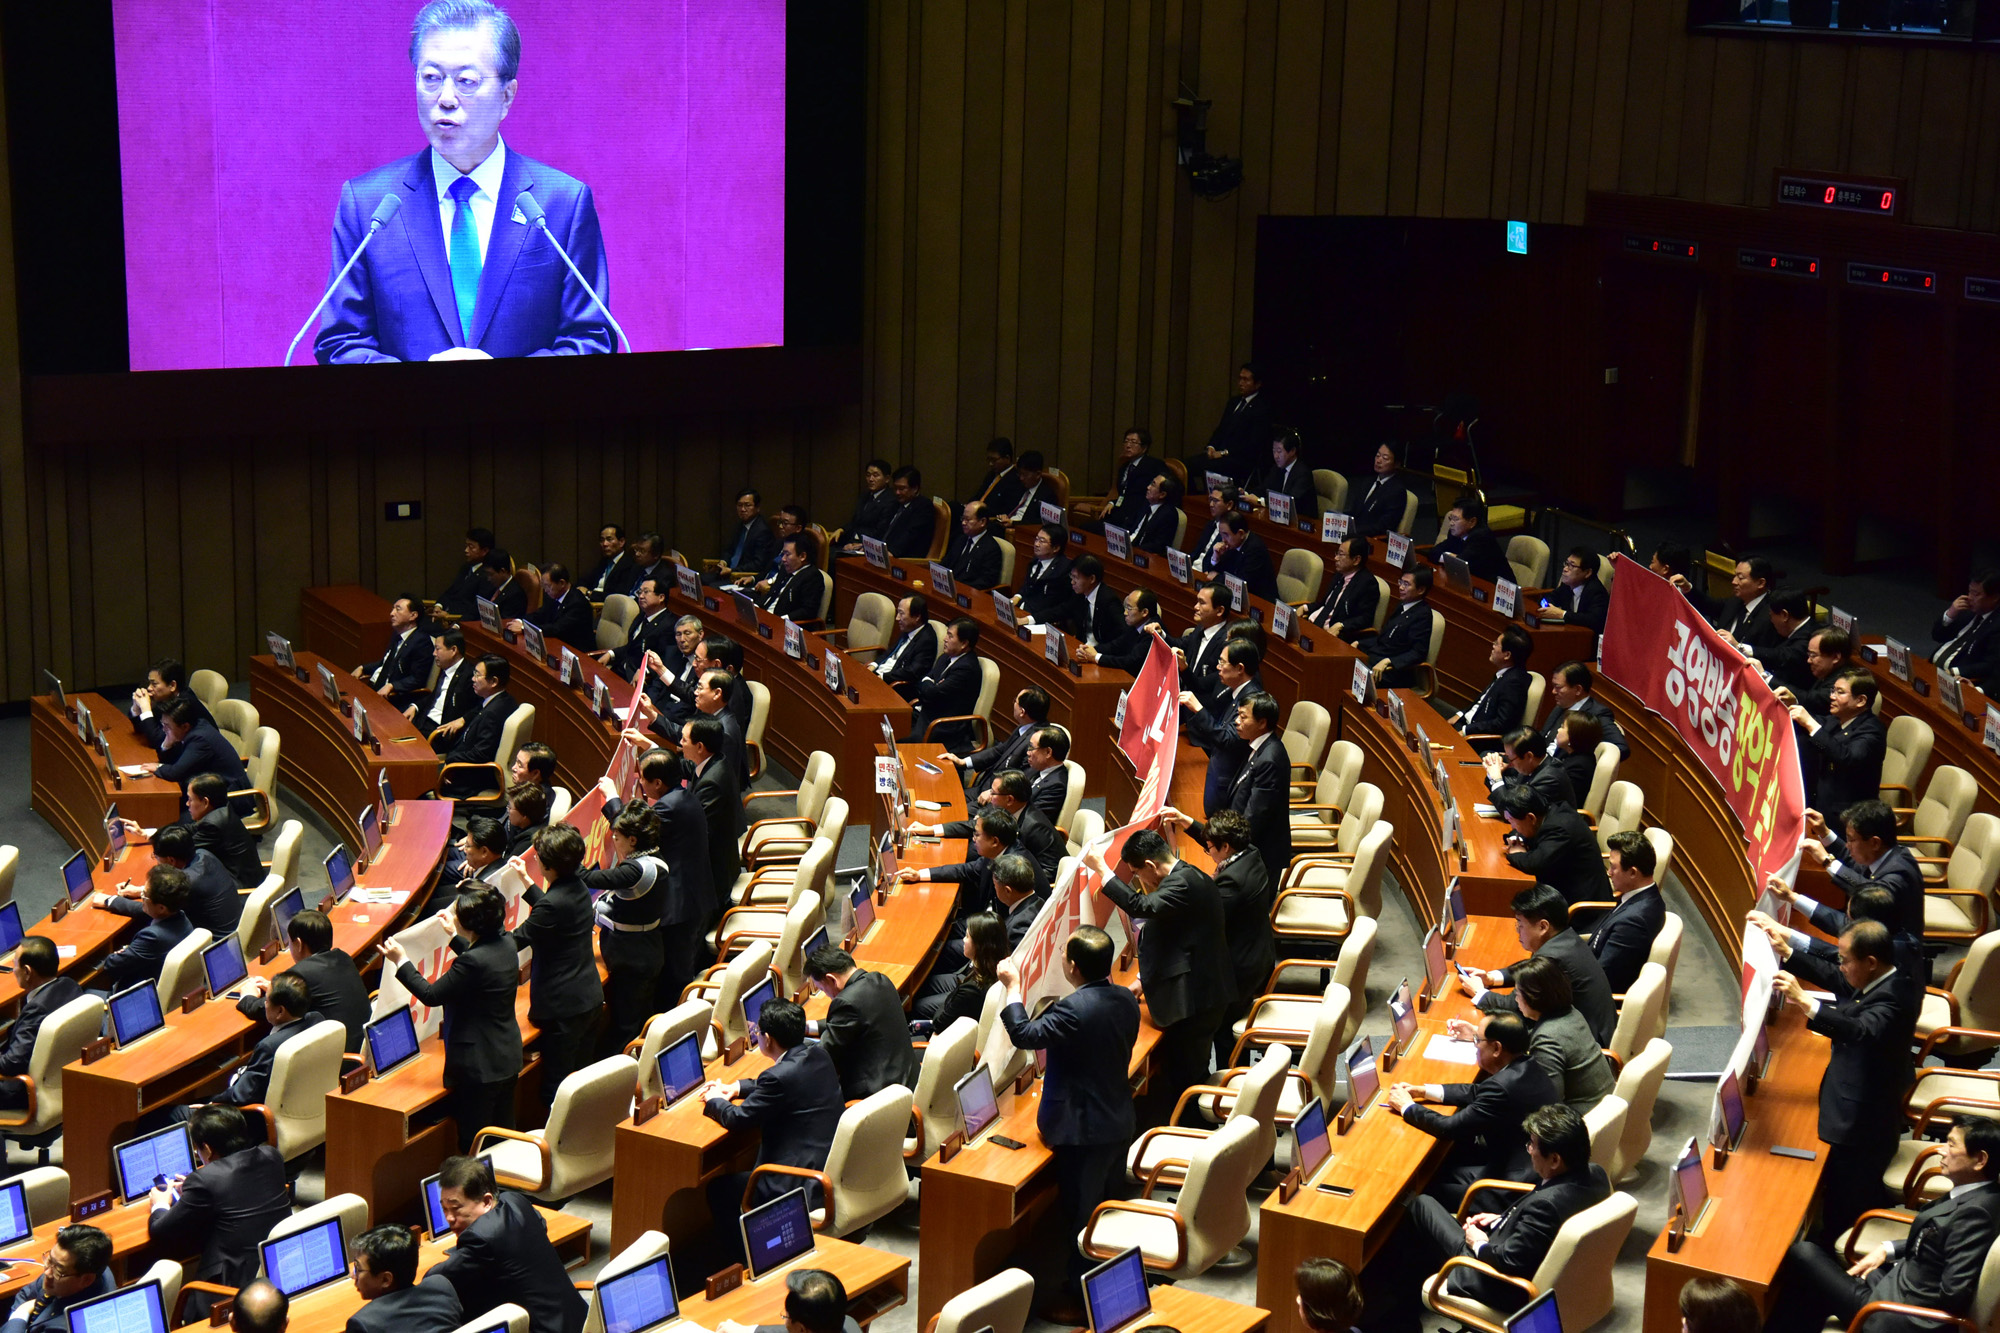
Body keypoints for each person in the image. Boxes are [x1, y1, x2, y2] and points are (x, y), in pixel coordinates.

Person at [313, 2, 612, 363]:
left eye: (466, 81)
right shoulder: (368, 205)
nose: (446, 99)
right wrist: (422, 389)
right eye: (431, 78)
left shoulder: (562, 204)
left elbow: (591, 340)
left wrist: (503, 387)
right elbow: (340, 342)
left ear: (506, 96)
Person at [996, 927, 1140, 1324]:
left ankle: (1082, 1304)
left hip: (1082, 1131)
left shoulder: (1073, 1011)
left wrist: (1013, 987)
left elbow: (1023, 1034)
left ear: (1073, 966)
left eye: (1063, 954)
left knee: (1083, 1218)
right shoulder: (1125, 998)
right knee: (1104, 1208)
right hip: (1117, 1119)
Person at [1772, 1116, 2000, 1333]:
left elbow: (1954, 1295)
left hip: (1893, 1315)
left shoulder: (1976, 1214)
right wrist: (1889, 1249)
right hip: (1893, 1285)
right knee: (1819, 1284)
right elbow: (1938, 1236)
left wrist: (1894, 1290)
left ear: (1980, 1160)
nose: (1941, 1150)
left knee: (1803, 1252)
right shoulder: (1979, 1194)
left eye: (1951, 1145)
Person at [1775, 918, 1917, 1245]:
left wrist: (1805, 1001)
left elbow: (1860, 1032)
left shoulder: (1894, 998)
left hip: (1863, 1123)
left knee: (1846, 1201)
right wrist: (1789, 953)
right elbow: (1834, 977)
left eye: (1845, 960)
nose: (1841, 967)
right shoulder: (1880, 977)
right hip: (1861, 1096)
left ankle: (1836, 1255)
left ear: (1870, 962)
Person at [1396, 1105, 1609, 1319]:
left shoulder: (1545, 1206)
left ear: (1554, 1160)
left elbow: (1510, 1261)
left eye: (1532, 1145)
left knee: (1421, 1205)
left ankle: (1403, 1301)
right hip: (1556, 1272)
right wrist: (1503, 1219)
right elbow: (1543, 1228)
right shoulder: (1596, 1174)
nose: (1529, 1150)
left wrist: (1478, 1242)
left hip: (1496, 1281)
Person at [1091, 829, 1234, 1127]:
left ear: (1151, 866)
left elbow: (1141, 907)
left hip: (1199, 1000)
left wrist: (1102, 870)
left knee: (1188, 1075)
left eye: (1137, 873)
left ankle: (1194, 1137)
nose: (1141, 881)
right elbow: (1176, 941)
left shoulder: (1182, 884)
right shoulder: (1185, 876)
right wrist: (1144, 980)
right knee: (1182, 1068)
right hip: (1201, 989)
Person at [384, 884, 522, 1150]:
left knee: (475, 1143)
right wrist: (452, 936)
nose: (454, 916)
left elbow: (431, 994)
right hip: (505, 1056)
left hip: (478, 1067)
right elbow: (480, 960)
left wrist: (401, 960)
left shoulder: (472, 962)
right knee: (504, 1136)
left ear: (472, 925)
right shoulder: (506, 943)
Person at [1384, 1013, 1560, 1204]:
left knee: (1422, 1192)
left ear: (1496, 1048)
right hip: (1519, 1163)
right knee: (1441, 1168)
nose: (1475, 1045)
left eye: (1477, 1039)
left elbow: (1448, 1128)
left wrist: (1407, 1107)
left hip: (1510, 1187)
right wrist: (1424, 1090)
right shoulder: (1527, 1065)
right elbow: (1477, 1091)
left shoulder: (1501, 1087)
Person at [701, 999, 844, 1222]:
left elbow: (737, 1118)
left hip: (794, 1182)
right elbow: (785, 1082)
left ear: (767, 1039)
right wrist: (735, 1087)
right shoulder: (818, 1054)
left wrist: (714, 1100)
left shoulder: (778, 1077)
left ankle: (746, 1255)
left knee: (718, 1190)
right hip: (824, 1166)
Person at [147, 1105, 290, 1321]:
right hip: (279, 1265)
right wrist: (198, 1191)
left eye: (197, 1150)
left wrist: (160, 1204)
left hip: (232, 1281)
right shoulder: (271, 1156)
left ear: (207, 1148)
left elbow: (160, 1231)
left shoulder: (206, 1180)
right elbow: (241, 1189)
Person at [598, 753, 718, 1002]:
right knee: (680, 967)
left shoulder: (667, 807)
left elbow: (627, 827)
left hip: (680, 905)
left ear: (658, 784)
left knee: (675, 974)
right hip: (695, 894)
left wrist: (612, 797)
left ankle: (674, 1024)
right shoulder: (684, 795)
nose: (638, 781)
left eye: (642, 777)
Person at [429, 1155, 588, 1333]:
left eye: (456, 1208)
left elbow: (436, 1278)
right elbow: (540, 1224)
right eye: (444, 1209)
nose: (449, 1218)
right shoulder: (515, 1200)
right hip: (580, 1317)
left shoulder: (480, 1237)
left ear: (487, 1201)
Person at [510, 824, 603, 1106]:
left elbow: (513, 941)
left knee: (556, 1090)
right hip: (587, 998)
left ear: (547, 864)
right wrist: (527, 881)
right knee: (580, 1079)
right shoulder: (577, 885)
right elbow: (553, 910)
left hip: (562, 1010)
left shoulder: (553, 904)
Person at [1469, 884, 1617, 1046]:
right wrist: (1492, 977)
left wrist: (1479, 992)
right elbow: (1530, 966)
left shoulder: (1552, 957)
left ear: (1543, 927)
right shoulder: (1566, 938)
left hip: (1583, 1043)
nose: (1518, 930)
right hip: (1594, 1030)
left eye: (1520, 924)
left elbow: (1516, 1007)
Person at [1167, 690, 1291, 881]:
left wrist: (1220, 845)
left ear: (1262, 722)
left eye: (1243, 717)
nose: (1236, 721)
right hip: (1245, 851)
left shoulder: (1269, 760)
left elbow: (1254, 820)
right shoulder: (1255, 747)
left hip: (1259, 858)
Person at [577, 805, 667, 1054]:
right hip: (649, 948)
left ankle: (619, 1076)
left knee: (625, 1024)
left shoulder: (634, 870)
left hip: (631, 956)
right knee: (641, 1016)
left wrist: (565, 851)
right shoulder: (655, 854)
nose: (612, 839)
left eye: (616, 836)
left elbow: (588, 878)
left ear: (633, 840)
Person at [1486, 956, 1613, 1114]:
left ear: (1534, 997)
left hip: (1582, 1120)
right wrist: (1487, 1037)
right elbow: (1533, 1035)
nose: (1516, 1000)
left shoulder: (1547, 1039)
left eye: (1517, 993)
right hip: (1603, 1107)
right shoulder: (1571, 1013)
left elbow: (1547, 1106)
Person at [1800, 798, 1924, 960]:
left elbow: (1867, 891)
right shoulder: (1888, 855)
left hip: (1891, 961)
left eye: (1851, 840)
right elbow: (1856, 864)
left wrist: (1827, 861)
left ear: (1874, 842)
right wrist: (1825, 833)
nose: (1847, 845)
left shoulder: (1897, 877)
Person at [233, 909, 370, 1052]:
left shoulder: (301, 974)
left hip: (336, 1057)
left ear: (298, 943)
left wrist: (247, 997)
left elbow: (267, 1010)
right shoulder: (343, 957)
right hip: (360, 1045)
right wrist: (277, 988)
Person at [1202, 809, 1274, 1067]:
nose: (1208, 854)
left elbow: (1206, 921)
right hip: (1259, 954)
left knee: (1220, 1028)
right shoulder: (1251, 852)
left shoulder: (1232, 881)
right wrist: (1188, 824)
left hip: (1241, 969)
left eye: (1209, 848)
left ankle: (1230, 1078)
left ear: (1226, 847)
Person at [195, 971, 320, 1113]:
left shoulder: (269, 1047)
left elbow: (241, 1096)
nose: (264, 1004)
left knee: (173, 1113)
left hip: (254, 1116)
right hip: (305, 1104)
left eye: (266, 1000)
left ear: (280, 1011)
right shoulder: (317, 1019)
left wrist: (212, 1104)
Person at [804, 947, 920, 1100]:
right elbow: (853, 1019)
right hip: (908, 1080)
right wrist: (807, 1027)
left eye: (822, 988)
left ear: (832, 979)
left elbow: (823, 1055)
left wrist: (791, 1046)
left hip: (877, 1097)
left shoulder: (845, 1002)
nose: (826, 994)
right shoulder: (880, 979)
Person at [102, 820, 239, 935]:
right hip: (227, 929)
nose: (156, 861)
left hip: (211, 944)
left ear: (171, 861)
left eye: (156, 857)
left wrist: (110, 901)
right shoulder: (203, 854)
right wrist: (140, 891)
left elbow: (153, 910)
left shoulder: (189, 881)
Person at [0, 938, 80, 1111]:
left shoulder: (37, 1009)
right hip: (62, 1081)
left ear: (27, 972)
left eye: (14, 964)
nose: (13, 970)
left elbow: (11, 1064)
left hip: (20, 1093)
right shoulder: (70, 985)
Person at [1792, 669, 1885, 814]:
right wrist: (1790, 705)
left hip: (1847, 815)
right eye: (1833, 690)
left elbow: (1845, 757)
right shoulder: (1838, 718)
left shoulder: (1872, 732)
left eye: (1840, 692)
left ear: (1860, 700)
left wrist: (1810, 723)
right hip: (1821, 800)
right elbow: (1818, 723)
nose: (1831, 697)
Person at [344, 1222, 464, 1333]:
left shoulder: (364, 1324)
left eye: (358, 1269)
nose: (354, 1275)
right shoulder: (441, 1287)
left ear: (386, 1280)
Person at [146, 698, 252, 822]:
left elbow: (175, 772)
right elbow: (175, 761)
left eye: (167, 726)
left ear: (185, 726)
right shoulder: (196, 726)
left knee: (176, 825)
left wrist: (158, 767)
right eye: (163, 724)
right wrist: (167, 744)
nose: (163, 729)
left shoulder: (199, 739)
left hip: (229, 799)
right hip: (209, 788)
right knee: (165, 810)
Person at [92, 865, 193, 994]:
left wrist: (125, 951)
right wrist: (110, 901)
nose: (142, 898)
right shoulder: (181, 917)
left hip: (138, 995)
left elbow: (112, 965)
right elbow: (142, 909)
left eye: (144, 895)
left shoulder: (153, 937)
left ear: (161, 908)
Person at [0, 1223, 113, 1332]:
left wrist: (21, 1313)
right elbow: (25, 1294)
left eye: (58, 1269)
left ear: (86, 1280)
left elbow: (23, 1305)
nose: (47, 1273)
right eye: (49, 1259)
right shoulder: (87, 1268)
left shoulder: (68, 1325)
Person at [1590, 832, 1666, 993]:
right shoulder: (1641, 896)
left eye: (1613, 867)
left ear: (1632, 872)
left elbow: (1602, 978)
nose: (1609, 872)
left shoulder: (1633, 922)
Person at [681, 717, 745, 909]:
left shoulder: (712, 783)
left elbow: (700, 835)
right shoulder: (714, 761)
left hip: (715, 878)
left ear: (699, 746)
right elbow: (687, 767)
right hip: (720, 858)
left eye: (684, 740)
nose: (680, 744)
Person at [437, 655, 518, 799]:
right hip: (462, 764)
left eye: (478, 675)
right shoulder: (503, 700)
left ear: (493, 681)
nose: (473, 679)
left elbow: (481, 754)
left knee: (419, 782)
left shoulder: (492, 714)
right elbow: (478, 710)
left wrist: (449, 761)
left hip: (469, 778)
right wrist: (463, 719)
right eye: (474, 673)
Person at [913, 911, 1009, 1027]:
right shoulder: (991, 964)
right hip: (961, 988)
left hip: (944, 1028)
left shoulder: (971, 989)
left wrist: (951, 997)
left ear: (980, 946)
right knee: (924, 985)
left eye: (967, 937)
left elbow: (939, 1022)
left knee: (919, 1007)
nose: (963, 940)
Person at [946, 688, 1050, 792]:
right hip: (984, 788)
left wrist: (994, 792)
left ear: (1022, 712)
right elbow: (1000, 750)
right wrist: (963, 762)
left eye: (1015, 701)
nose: (1013, 704)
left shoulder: (1036, 742)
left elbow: (1022, 779)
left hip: (996, 797)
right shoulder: (1025, 727)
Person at [905, 618, 983, 747]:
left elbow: (931, 693)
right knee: (891, 723)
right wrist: (930, 684)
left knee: (899, 740)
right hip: (926, 713)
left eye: (950, 636)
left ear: (964, 643)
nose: (945, 639)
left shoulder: (966, 668)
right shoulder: (946, 657)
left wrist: (930, 685)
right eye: (947, 633)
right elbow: (923, 682)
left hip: (943, 726)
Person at [717, 1269, 865, 1333]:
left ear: (802, 1329)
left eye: (786, 1317)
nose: (785, 1322)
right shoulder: (847, 1324)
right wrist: (749, 1331)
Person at [1077, 428, 1169, 531]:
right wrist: (1113, 502)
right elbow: (1125, 493)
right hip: (1119, 516)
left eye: (1133, 442)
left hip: (1135, 519)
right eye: (1126, 441)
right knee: (1084, 529)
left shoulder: (1154, 465)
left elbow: (1169, 488)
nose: (1128, 445)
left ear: (1144, 447)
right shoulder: (1124, 467)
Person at [1452, 628, 1534, 742]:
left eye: (1496, 644)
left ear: (1507, 655)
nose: (1493, 646)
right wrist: (1460, 714)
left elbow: (1502, 724)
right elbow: (1482, 701)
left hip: (1476, 738)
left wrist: (1466, 730)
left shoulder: (1514, 683)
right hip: (1467, 724)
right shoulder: (1506, 673)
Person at [1356, 569, 1433, 688]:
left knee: (1350, 674)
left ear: (1420, 590)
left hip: (1394, 672)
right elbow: (1384, 637)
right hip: (1376, 657)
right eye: (1401, 582)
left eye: (1406, 584)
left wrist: (1389, 661)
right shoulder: (1402, 605)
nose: (1401, 587)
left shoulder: (1423, 615)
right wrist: (1359, 643)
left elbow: (1418, 652)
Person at [1194, 363, 1273, 482]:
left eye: (1246, 380)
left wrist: (1224, 453)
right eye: (1240, 378)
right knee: (1183, 467)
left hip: (1239, 459)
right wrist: (1211, 446)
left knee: (1203, 466)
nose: (1241, 383)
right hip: (1219, 454)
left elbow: (1253, 444)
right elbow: (1221, 429)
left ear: (1257, 384)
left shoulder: (1262, 408)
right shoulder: (1233, 402)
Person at [1728, 587, 1816, 692]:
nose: (1771, 621)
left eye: (1771, 616)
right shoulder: (1794, 629)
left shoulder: (1810, 638)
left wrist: (1740, 647)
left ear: (1784, 615)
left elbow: (1782, 655)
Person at [183, 772, 263, 886]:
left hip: (239, 888)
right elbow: (191, 829)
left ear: (205, 802)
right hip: (238, 876)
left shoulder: (214, 824)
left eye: (191, 799)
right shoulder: (224, 810)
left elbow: (183, 853)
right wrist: (157, 833)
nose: (187, 803)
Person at [1536, 661, 1628, 759]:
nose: (1553, 692)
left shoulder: (1597, 714)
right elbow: (1544, 736)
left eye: (1558, 687)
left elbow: (1622, 748)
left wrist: (1577, 753)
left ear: (1578, 690)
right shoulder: (1562, 705)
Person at [128, 657, 217, 754]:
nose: (149, 688)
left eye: (154, 684)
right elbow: (143, 730)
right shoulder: (167, 699)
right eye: (149, 683)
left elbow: (158, 741)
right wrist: (136, 709)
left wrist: (145, 709)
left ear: (172, 686)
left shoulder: (183, 704)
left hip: (202, 755)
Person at [407, 628, 478, 740]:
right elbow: (435, 696)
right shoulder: (446, 668)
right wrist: (415, 707)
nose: (434, 653)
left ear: (453, 650)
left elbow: (480, 707)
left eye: (437, 649)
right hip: (423, 721)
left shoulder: (470, 676)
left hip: (439, 733)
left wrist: (464, 719)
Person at [1483, 727, 1577, 810]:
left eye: (1510, 758)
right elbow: (1513, 789)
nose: (1509, 763)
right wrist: (1496, 772)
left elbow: (1514, 811)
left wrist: (1496, 779)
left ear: (1529, 756)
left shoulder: (1549, 778)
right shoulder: (1534, 766)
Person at [1931, 572, 2000, 684]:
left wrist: (1955, 671)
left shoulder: (1996, 626)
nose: (1969, 598)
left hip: (1955, 679)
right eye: (1969, 592)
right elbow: (1937, 636)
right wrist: (1950, 614)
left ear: (1994, 598)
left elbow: (1991, 664)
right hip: (1932, 667)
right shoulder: (1967, 610)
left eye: (1976, 594)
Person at [1308, 538, 1381, 641]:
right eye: (1337, 553)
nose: (1335, 558)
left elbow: (1365, 619)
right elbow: (1325, 604)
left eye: (1341, 555)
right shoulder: (1340, 574)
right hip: (1314, 626)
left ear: (1356, 560)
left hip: (1334, 636)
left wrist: (1341, 625)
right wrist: (1306, 607)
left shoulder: (1367, 583)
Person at [1533, 549, 1609, 643]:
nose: (1565, 569)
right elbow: (1550, 597)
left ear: (1588, 573)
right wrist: (1547, 607)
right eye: (1566, 563)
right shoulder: (1567, 584)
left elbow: (1593, 620)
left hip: (1588, 643)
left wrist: (1562, 614)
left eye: (1572, 566)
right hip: (1570, 635)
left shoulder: (1596, 591)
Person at [1778, 625, 1854, 717]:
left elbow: (1812, 699)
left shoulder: (1844, 685)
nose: (1809, 660)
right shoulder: (1827, 671)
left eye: (1813, 655)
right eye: (1809, 654)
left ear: (1835, 657)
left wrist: (1767, 677)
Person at [1076, 589, 1160, 673]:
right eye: (1125, 607)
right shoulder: (1137, 623)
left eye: (1129, 608)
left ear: (1144, 612)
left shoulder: (1153, 631)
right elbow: (1116, 646)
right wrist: (1088, 651)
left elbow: (1131, 662)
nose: (1125, 612)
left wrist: (1096, 657)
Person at [509, 563, 591, 647]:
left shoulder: (577, 603)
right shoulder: (553, 595)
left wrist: (525, 629)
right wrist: (521, 621)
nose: (545, 590)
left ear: (561, 583)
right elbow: (540, 615)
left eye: (547, 586)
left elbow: (557, 629)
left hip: (575, 650)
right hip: (557, 643)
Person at [1425, 499, 1507, 583]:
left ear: (1472, 522)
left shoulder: (1482, 537)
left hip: (1498, 587)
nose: (1451, 523)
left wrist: (1451, 557)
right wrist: (1452, 557)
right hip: (1471, 580)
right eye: (1451, 518)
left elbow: (1461, 564)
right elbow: (1433, 552)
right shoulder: (1455, 533)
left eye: (1456, 519)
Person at [1054, 554, 1124, 651]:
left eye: (1076, 577)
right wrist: (1031, 619)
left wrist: (1097, 652)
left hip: (1101, 652)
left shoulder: (1108, 600)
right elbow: (1061, 610)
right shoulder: (1079, 594)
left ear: (1092, 579)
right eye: (1071, 576)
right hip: (1082, 646)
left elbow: (1123, 637)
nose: (1072, 582)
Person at [870, 594, 937, 690]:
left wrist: (883, 677)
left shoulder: (927, 640)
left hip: (896, 686)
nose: (897, 618)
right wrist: (874, 665)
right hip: (881, 674)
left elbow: (912, 672)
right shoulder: (909, 628)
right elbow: (891, 651)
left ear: (917, 616)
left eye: (901, 614)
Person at [1711, 557, 1779, 651]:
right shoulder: (1737, 600)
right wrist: (1688, 588)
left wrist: (1738, 647)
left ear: (1760, 583)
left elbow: (1768, 654)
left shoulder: (1770, 616)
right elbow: (1711, 606)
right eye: (1735, 576)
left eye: (1740, 578)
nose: (1734, 582)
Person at [758, 533, 829, 622]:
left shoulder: (812, 576)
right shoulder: (785, 569)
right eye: (783, 554)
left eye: (787, 554)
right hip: (767, 617)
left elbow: (808, 611)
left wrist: (782, 619)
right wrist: (757, 607)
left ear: (802, 556)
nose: (783, 559)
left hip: (786, 626)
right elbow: (771, 594)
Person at [1212, 512, 1280, 602]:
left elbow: (1242, 583)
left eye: (1226, 535)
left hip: (1261, 602)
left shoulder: (1255, 549)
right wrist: (1216, 557)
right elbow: (1216, 571)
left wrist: (1216, 578)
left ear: (1241, 533)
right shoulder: (1232, 544)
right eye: (1221, 535)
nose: (1223, 540)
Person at [713, 490, 777, 584]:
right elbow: (729, 550)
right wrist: (724, 562)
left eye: (747, 505)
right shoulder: (740, 526)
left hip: (742, 577)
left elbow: (758, 564)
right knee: (700, 581)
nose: (743, 509)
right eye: (739, 505)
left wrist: (732, 570)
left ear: (757, 508)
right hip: (728, 573)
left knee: (712, 588)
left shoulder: (762, 531)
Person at [1252, 427, 1317, 518]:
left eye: (1279, 451)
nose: (1275, 456)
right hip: (1280, 518)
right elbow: (1264, 488)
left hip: (1301, 522)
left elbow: (1289, 503)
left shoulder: (1303, 473)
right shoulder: (1276, 468)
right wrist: (1248, 495)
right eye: (1274, 451)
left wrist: (1259, 501)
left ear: (1292, 451)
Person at [1350, 442, 1411, 537]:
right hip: (1353, 534)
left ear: (1397, 464)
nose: (1378, 460)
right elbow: (1354, 512)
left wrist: (1353, 531)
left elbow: (1383, 527)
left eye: (1385, 458)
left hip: (1370, 540)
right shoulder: (1368, 482)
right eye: (1377, 456)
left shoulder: (1397, 491)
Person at [836, 460, 898, 553]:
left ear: (887, 479)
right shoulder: (865, 496)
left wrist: (858, 542)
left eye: (876, 475)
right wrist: (842, 529)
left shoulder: (891, 499)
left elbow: (880, 530)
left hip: (869, 546)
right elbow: (855, 522)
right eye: (868, 475)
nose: (871, 479)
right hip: (852, 540)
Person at [1015, 524, 1074, 622]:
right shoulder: (1035, 561)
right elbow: (1027, 587)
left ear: (1056, 548)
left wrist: (1029, 619)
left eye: (1042, 541)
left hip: (1041, 620)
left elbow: (1054, 606)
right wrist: (1017, 597)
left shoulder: (1064, 570)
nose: (1036, 544)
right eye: (1036, 539)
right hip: (1023, 611)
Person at [878, 466, 936, 560]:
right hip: (883, 553)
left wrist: (891, 552)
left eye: (902, 488)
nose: (897, 492)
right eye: (895, 488)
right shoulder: (895, 504)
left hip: (905, 558)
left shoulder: (924, 507)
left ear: (915, 489)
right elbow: (882, 528)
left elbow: (910, 535)